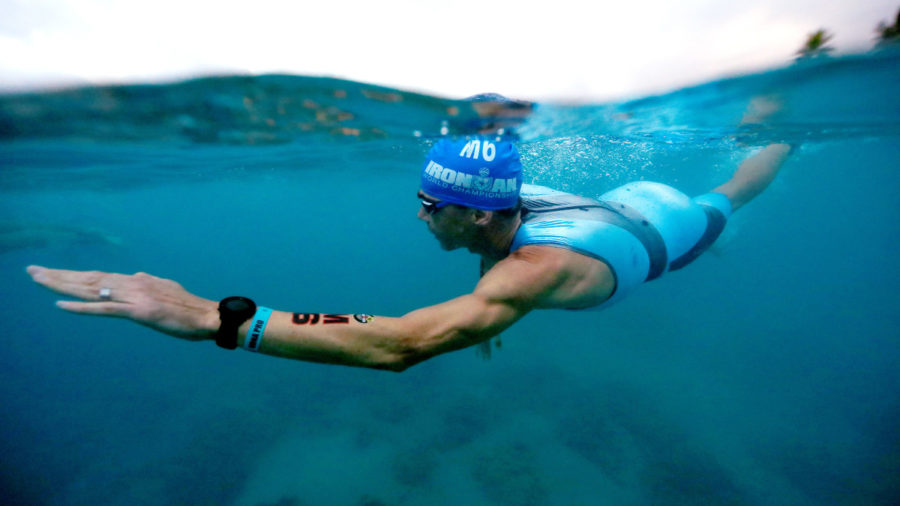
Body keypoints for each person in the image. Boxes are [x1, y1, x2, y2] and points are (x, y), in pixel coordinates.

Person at [27, 137, 791, 372]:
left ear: (474, 211)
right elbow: (497, 251)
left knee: (732, 195)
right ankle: (772, 135)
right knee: (723, 192)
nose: (419, 215)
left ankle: (779, 140)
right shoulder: (505, 205)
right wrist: (491, 305)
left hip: (669, 232)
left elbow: (401, 343)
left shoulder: (539, 269)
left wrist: (213, 318)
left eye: (431, 206)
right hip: (628, 199)